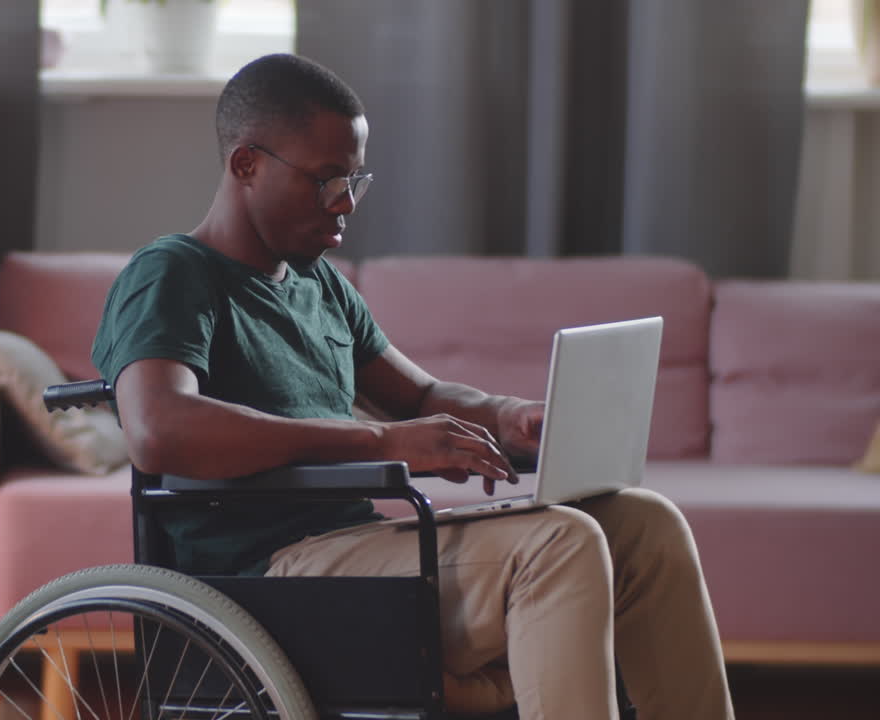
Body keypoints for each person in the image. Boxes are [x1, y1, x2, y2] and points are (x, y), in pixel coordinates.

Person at [91, 53, 734, 720]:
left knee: (644, 525)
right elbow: (159, 428)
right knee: (560, 544)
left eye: (354, 181)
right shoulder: (173, 273)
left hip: (358, 552)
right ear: (247, 164)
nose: (346, 203)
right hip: (265, 575)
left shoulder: (319, 285)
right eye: (326, 180)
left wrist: (508, 416)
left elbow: (419, 397)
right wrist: (380, 441)